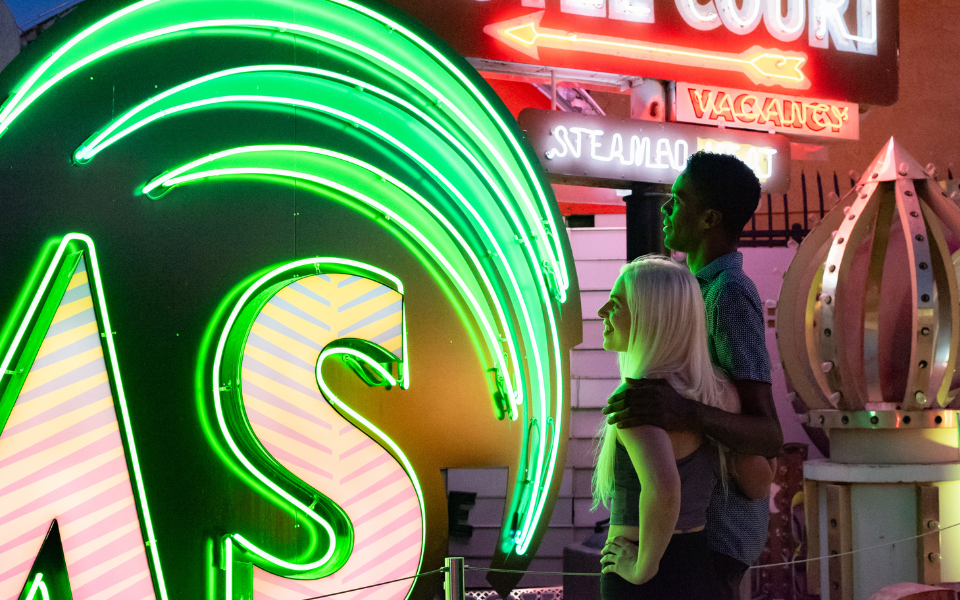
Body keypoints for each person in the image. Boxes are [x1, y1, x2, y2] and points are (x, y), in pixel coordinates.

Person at [603, 151, 783, 599]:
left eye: (678, 199)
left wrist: (682, 411)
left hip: (714, 533)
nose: (665, 208)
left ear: (709, 218)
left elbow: (767, 433)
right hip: (693, 529)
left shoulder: (726, 296)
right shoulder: (696, 289)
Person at [594, 256, 773, 600]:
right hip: (697, 559)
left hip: (642, 564)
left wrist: (642, 567)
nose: (603, 311)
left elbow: (664, 490)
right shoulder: (719, 392)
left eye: (615, 303)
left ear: (650, 316)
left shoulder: (641, 398)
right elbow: (759, 480)